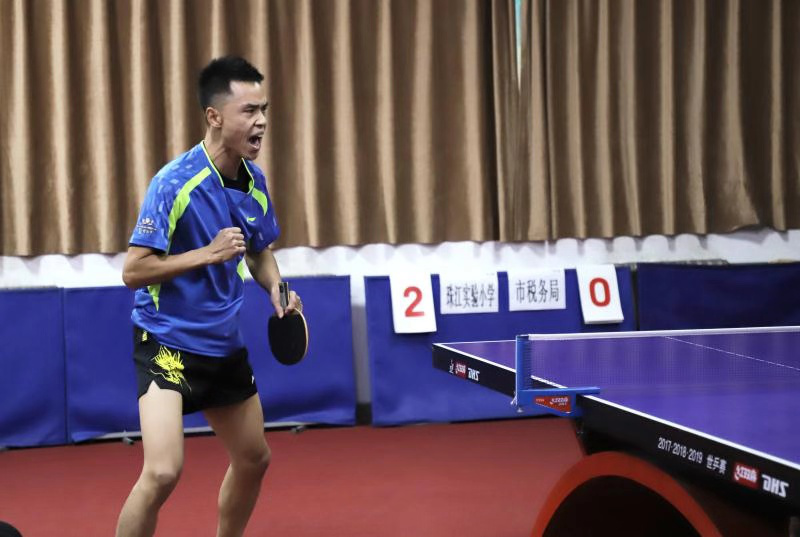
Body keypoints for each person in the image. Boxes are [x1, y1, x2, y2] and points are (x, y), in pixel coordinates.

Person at [116, 56, 300, 537]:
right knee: (162, 472)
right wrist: (207, 254)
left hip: (222, 344)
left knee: (254, 458)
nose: (261, 121)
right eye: (249, 111)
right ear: (214, 116)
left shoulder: (255, 184)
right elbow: (133, 271)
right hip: (167, 344)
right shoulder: (174, 183)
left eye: (264, 110)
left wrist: (276, 288)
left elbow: (259, 250)